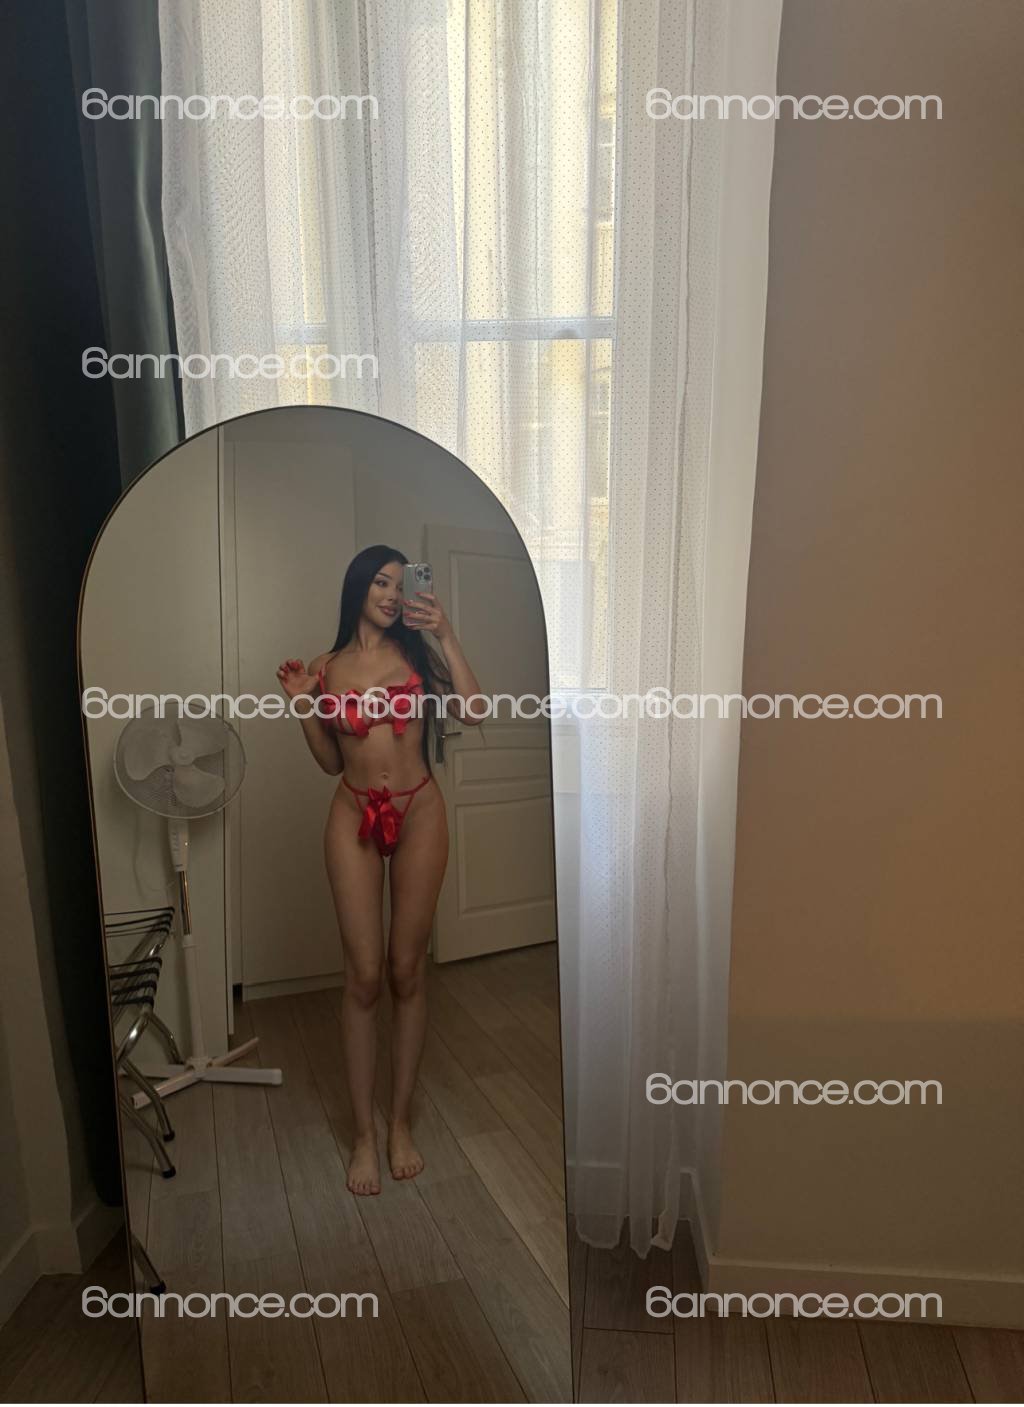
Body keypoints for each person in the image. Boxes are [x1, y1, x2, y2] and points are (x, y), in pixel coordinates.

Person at [277, 545, 482, 1194]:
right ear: (359, 587)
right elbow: (329, 764)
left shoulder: (418, 654)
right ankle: (363, 1136)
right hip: (353, 815)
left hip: (419, 812)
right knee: (363, 975)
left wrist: (445, 633)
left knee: (405, 969)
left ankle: (399, 1124)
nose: (392, 595)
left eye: (400, 585)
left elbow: (475, 710)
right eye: (382, 582)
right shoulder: (326, 667)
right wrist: (303, 704)